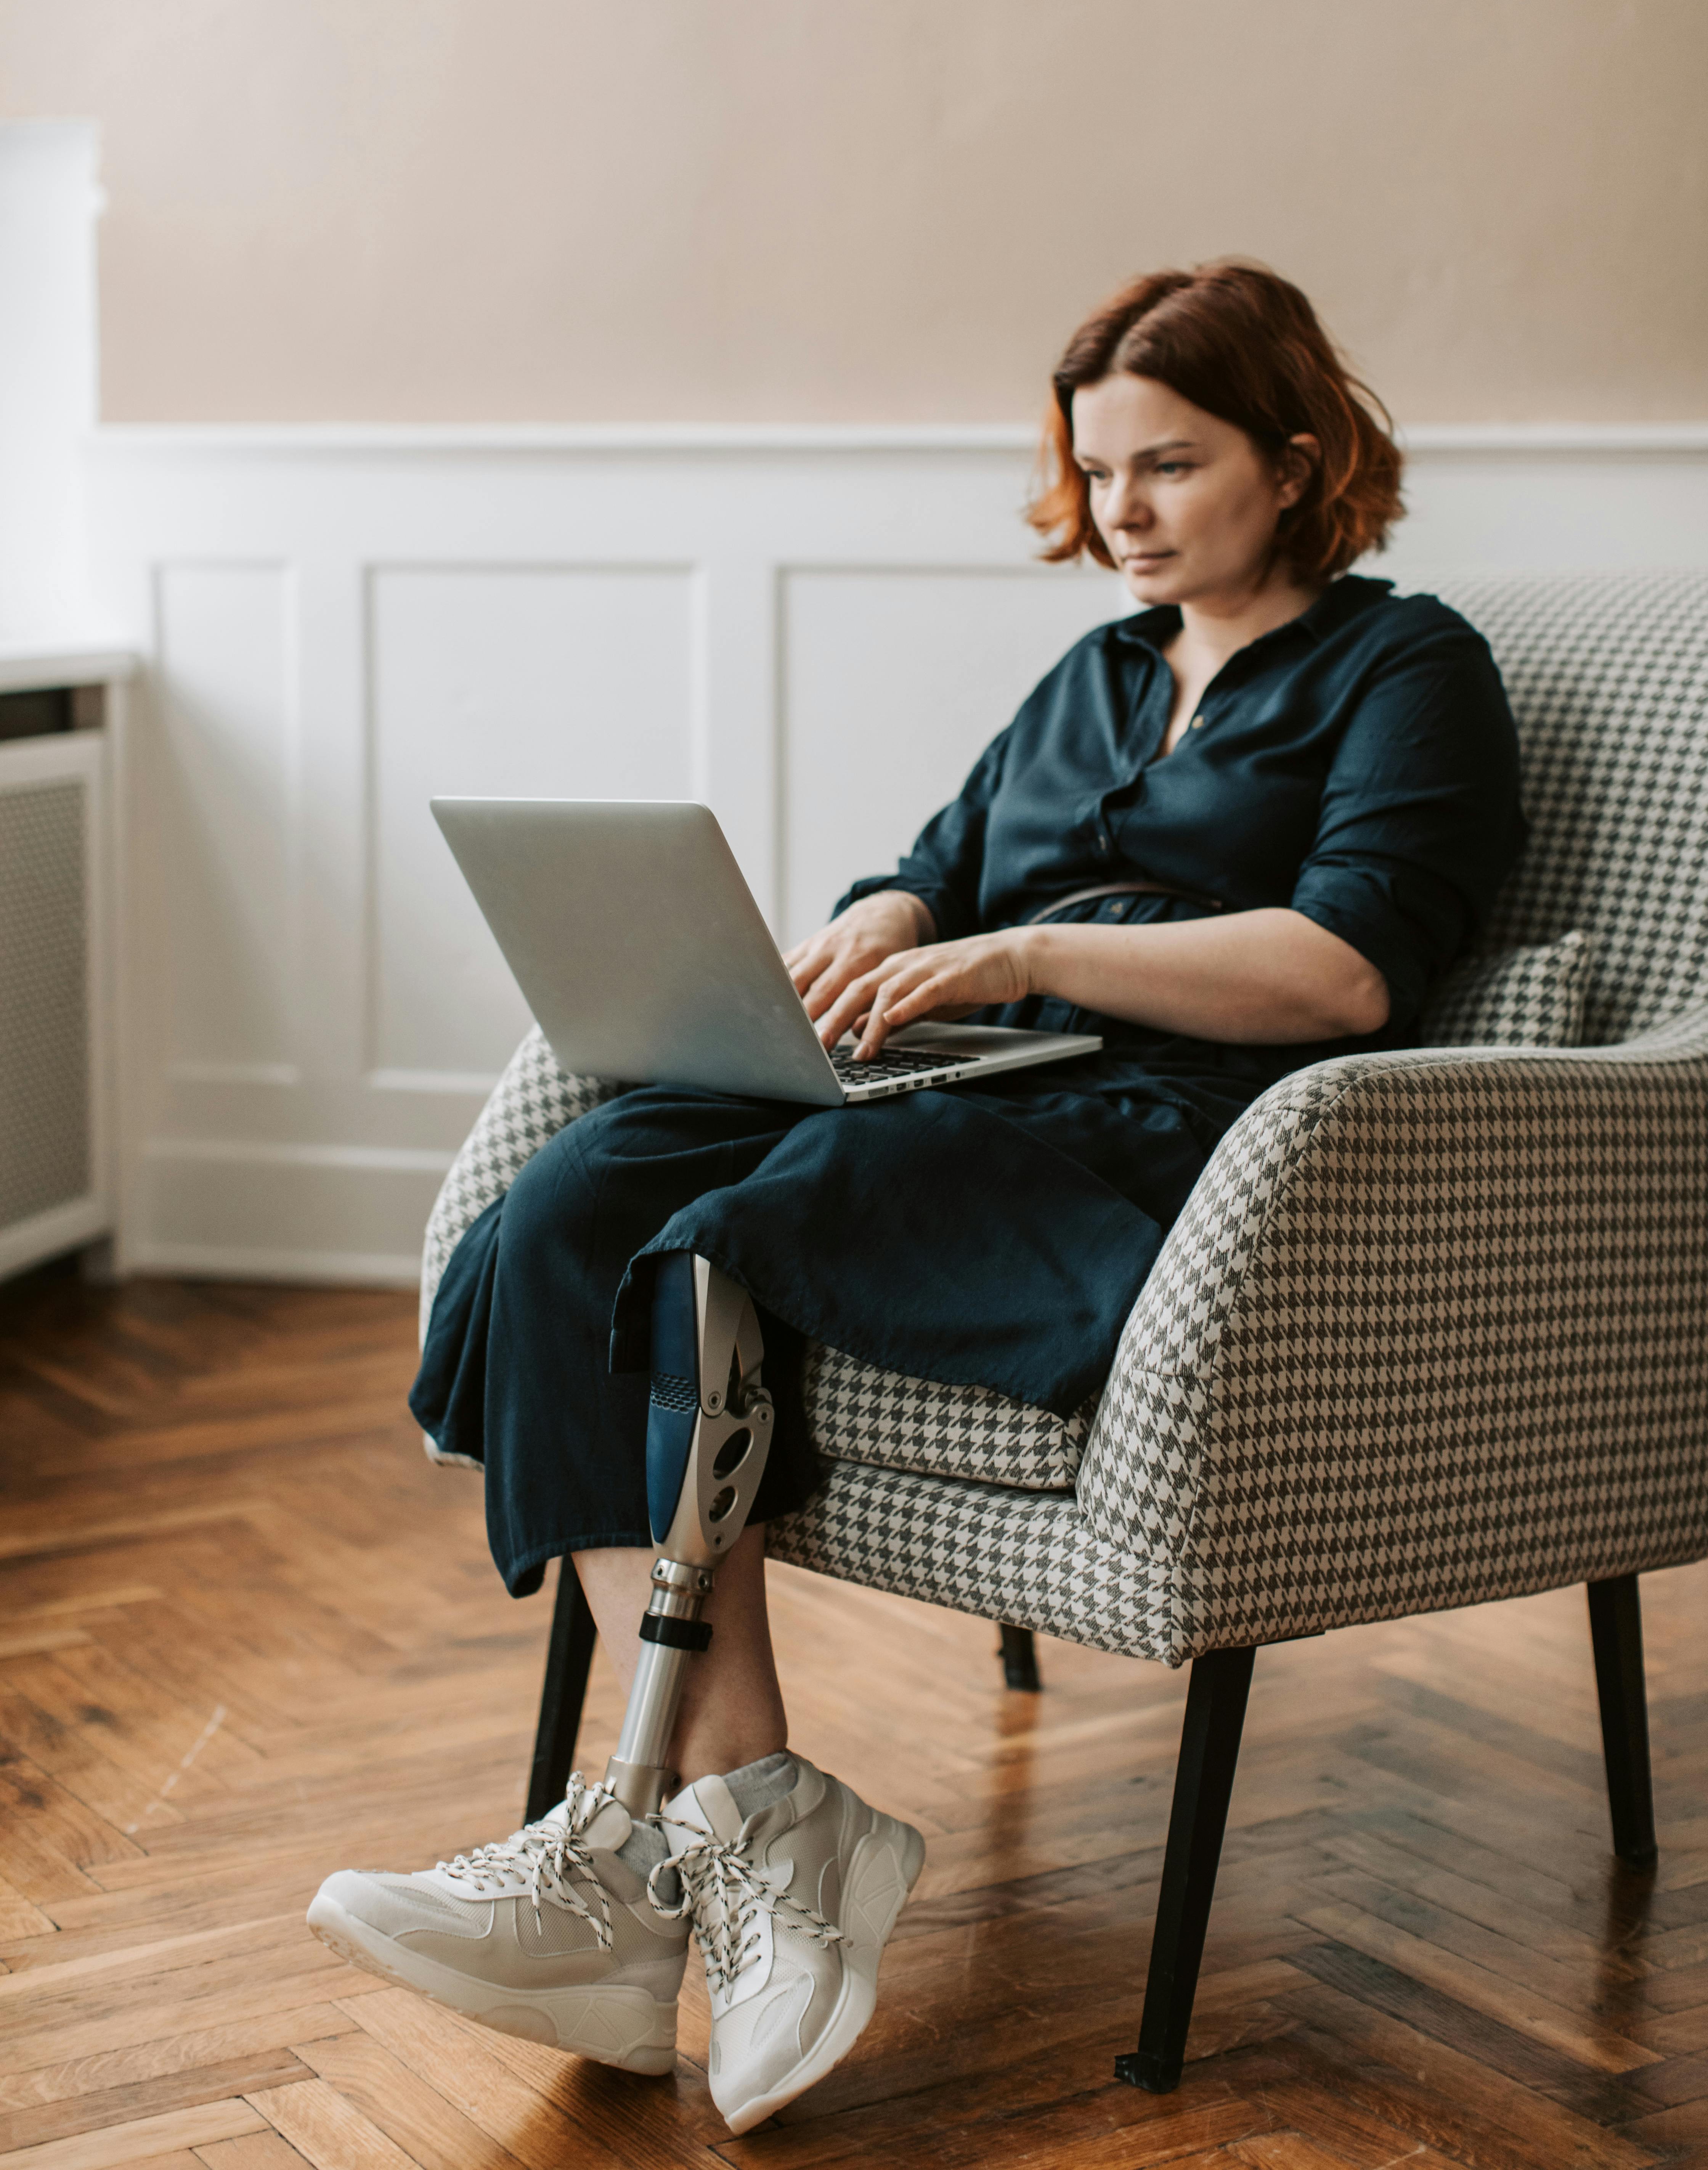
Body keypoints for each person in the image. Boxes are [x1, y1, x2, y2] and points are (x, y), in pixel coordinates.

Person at [307, 261, 1526, 2134]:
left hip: (1173, 1130)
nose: (1117, 508)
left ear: (1296, 461)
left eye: (1168, 465)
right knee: (558, 1217)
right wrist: (882, 925)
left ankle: (642, 1851)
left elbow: (1347, 973)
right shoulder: (1100, 669)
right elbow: (936, 867)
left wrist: (1023, 952)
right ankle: (739, 1827)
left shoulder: (1405, 667)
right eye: (1095, 467)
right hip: (956, 1082)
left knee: (725, 1224)